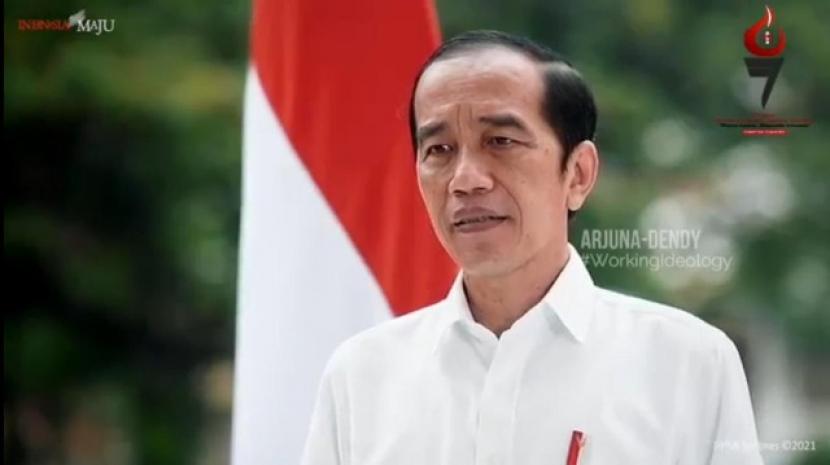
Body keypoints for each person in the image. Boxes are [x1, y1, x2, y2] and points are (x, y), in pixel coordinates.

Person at [300, 30, 763, 465]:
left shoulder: (688, 365)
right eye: (439, 150)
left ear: (578, 174)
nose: (465, 180)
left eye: (500, 141)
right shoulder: (361, 377)